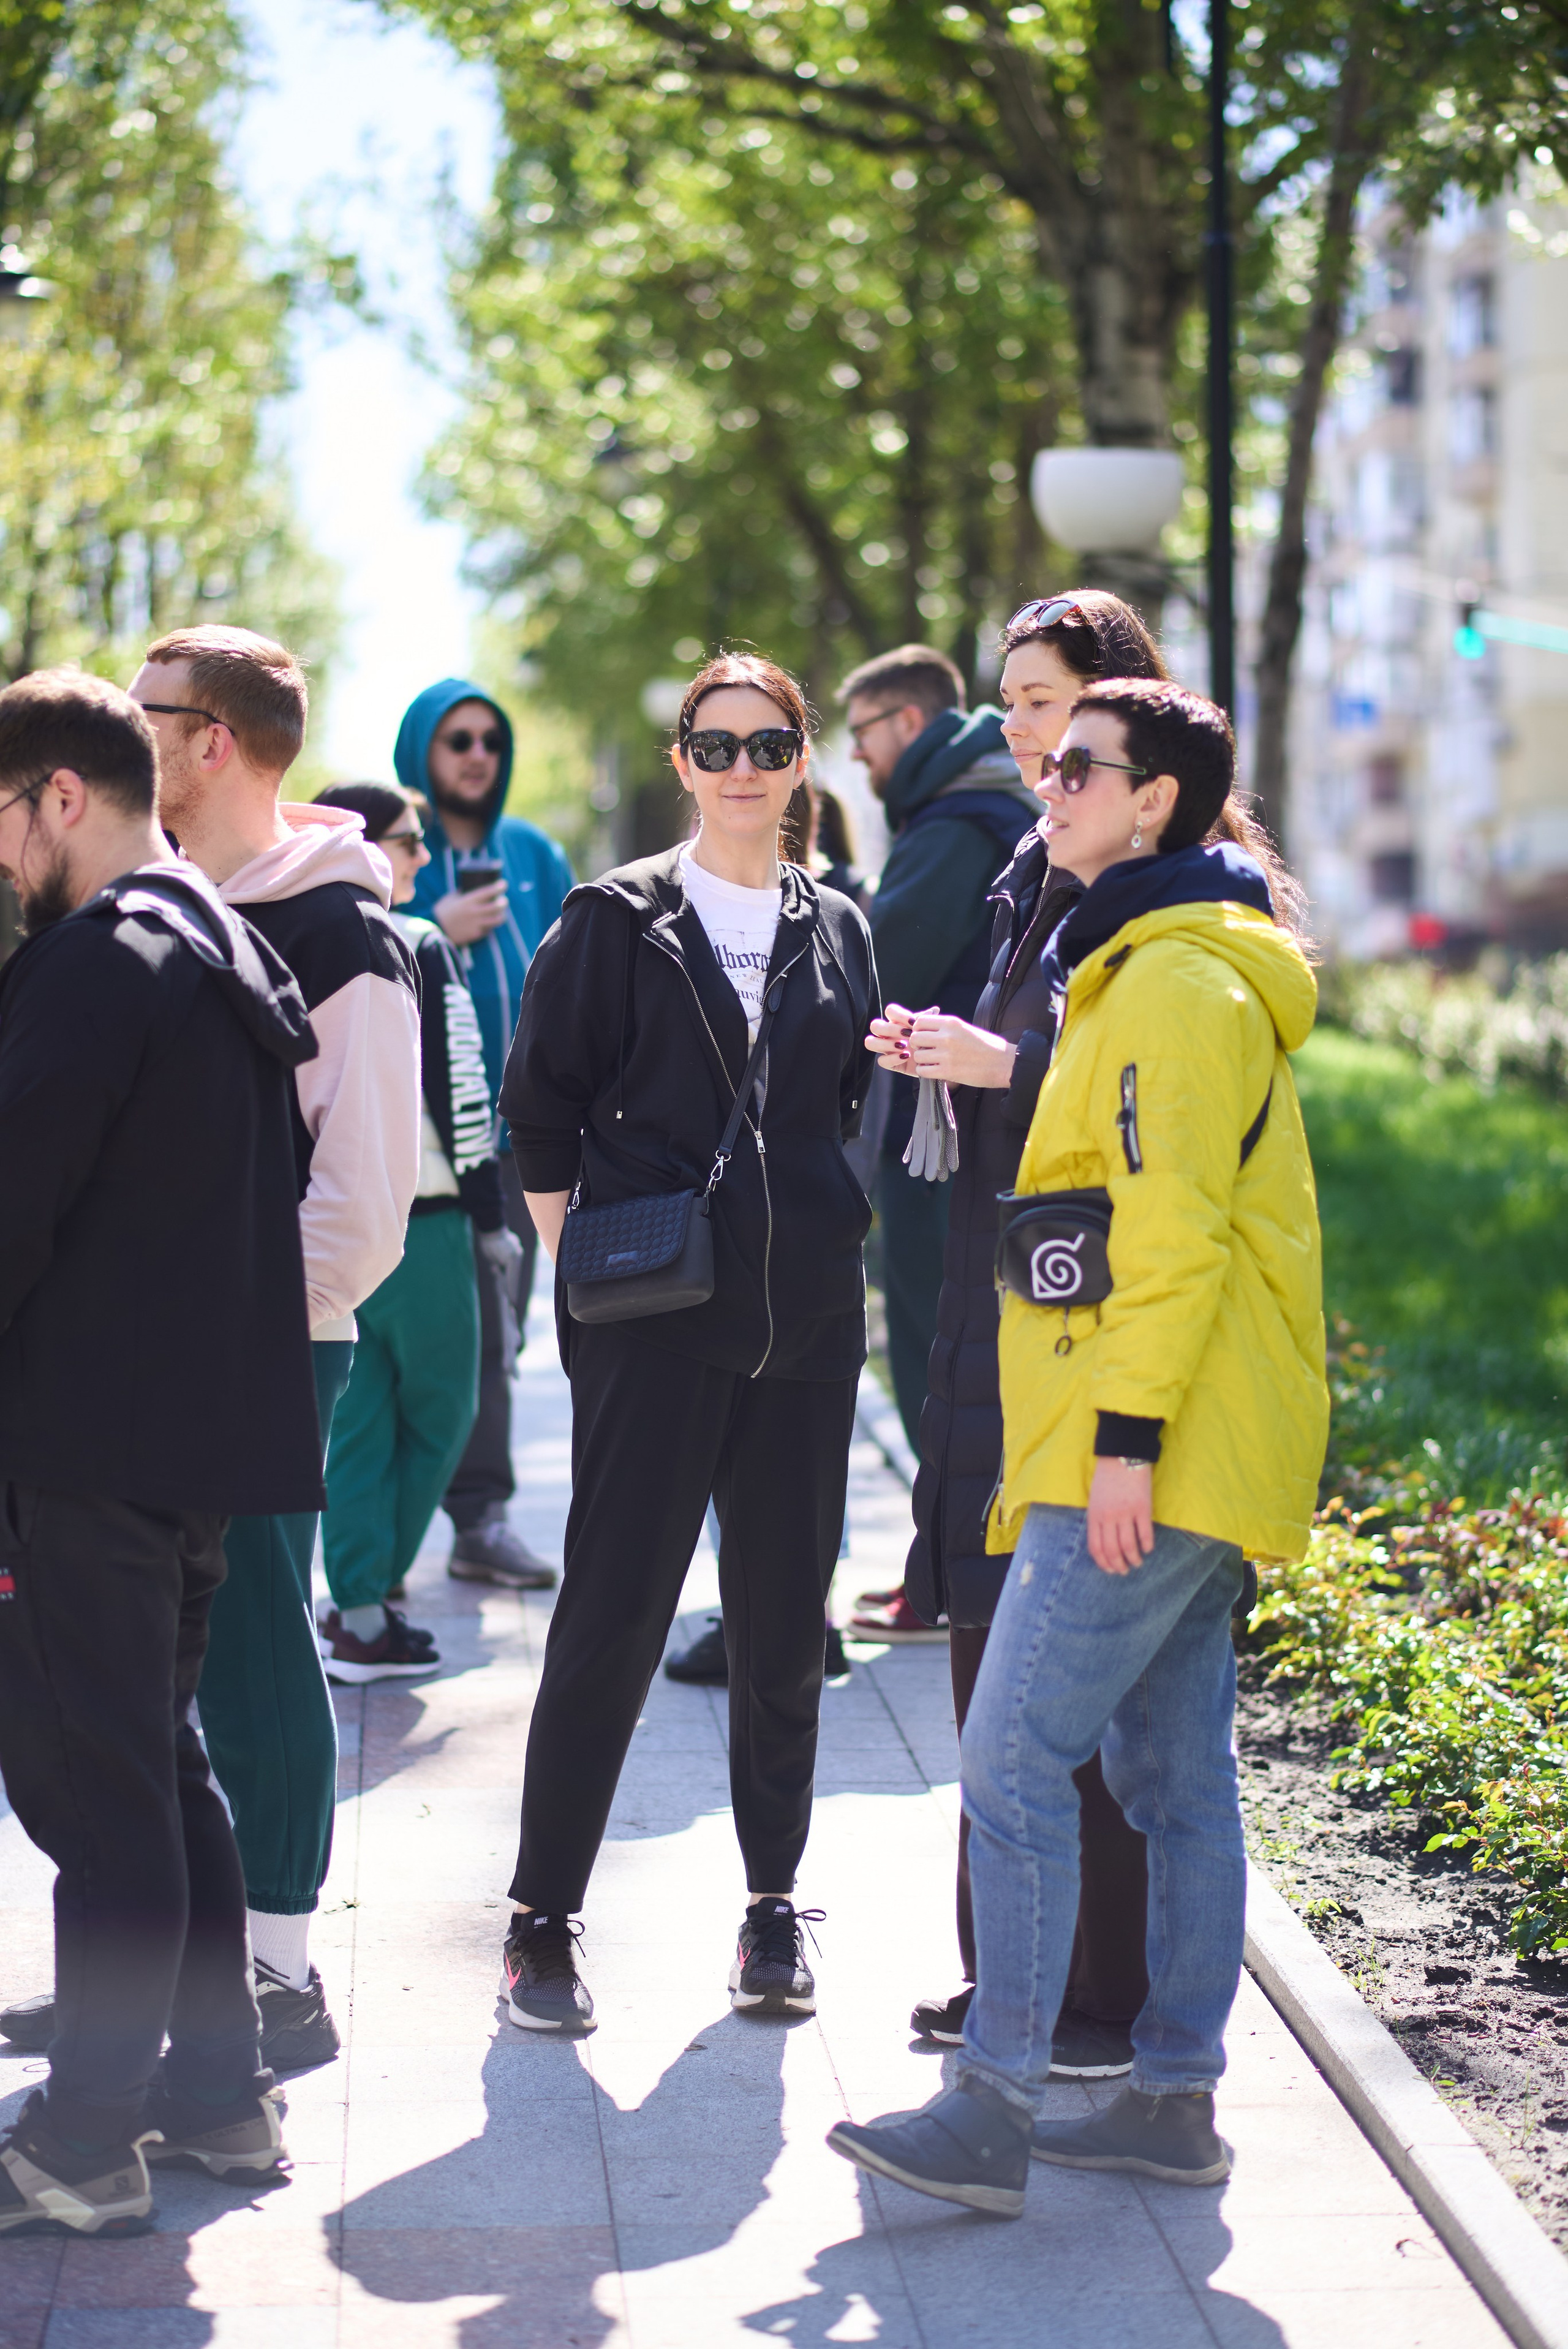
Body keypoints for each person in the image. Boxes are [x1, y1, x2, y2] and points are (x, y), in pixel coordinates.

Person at [829, 679, 1328, 2214]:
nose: (1043, 782)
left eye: (1072, 765)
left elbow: (1166, 1242)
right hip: (1179, 1434)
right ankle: (1170, 2099)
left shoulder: (1174, 984)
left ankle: (994, 2101)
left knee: (1011, 1754)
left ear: (1154, 801)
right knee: (1174, 1774)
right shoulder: (1139, 961)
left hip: (1149, 1444)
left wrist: (1120, 1443)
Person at [497, 652, 877, 2034]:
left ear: (797, 761)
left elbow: (839, 1104)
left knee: (784, 1630)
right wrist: (592, 1271)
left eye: (765, 744)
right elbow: (538, 1117)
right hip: (653, 1337)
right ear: (680, 762)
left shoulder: (834, 922)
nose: (738, 768)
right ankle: (542, 1917)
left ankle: (771, 1908)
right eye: (711, 745)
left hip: (805, 1331)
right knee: (612, 1614)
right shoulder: (613, 921)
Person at [0, 672, 317, 2231]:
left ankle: (85, 2136)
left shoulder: (94, 962)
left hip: (81, 1443)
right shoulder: (224, 945)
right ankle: (214, 2097)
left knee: (98, 1792)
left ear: (61, 796)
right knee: (162, 1772)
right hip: (192, 1445)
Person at [873, 593, 1170, 2067]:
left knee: (1067, 1696)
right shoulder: (1022, 868)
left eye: (1043, 701)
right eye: (1007, 699)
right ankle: (1007, 1980)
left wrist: (1003, 1056)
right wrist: (940, 1056)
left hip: (1081, 1333)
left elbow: (1134, 1107)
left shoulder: (1157, 893)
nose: (1016, 729)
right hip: (996, 1305)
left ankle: (1091, 2003)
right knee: (989, 1652)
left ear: (1118, 719)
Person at [130, 627, 421, 2070]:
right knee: (159, 1660)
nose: (130, 732)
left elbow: (363, 1203)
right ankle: (182, 1961)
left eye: (150, 712)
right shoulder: (163, 897)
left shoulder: (341, 927)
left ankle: (281, 1975)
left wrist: (240, 1327)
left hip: (270, 1345)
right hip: (162, 1351)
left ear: (217, 740)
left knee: (251, 1641)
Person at [838, 644, 1038, 1643]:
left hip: (944, 1125)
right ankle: (953, 1572)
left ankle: (951, 1581)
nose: (859, 760)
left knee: (936, 1342)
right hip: (978, 1116)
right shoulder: (988, 807)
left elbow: (881, 961)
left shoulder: (956, 824)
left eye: (863, 736)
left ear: (907, 726)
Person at [311, 781, 514, 1682]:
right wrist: (490, 1214)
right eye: (409, 841)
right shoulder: (419, 940)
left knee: (358, 1421)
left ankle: (358, 1604)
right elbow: (463, 1084)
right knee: (446, 1410)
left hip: (328, 1217)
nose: (425, 858)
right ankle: (368, 1597)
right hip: (422, 1221)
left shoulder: (285, 932)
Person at [397, 681, 574, 1590]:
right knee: (413, 1342)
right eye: (457, 739)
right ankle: (378, 1536)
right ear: (422, 748)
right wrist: (438, 929)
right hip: (412, 1146)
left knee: (497, 1334)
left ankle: (482, 1521)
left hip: (521, 1146)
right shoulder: (393, 852)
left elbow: (585, 973)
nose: (477, 755)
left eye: (491, 741)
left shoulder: (535, 854)